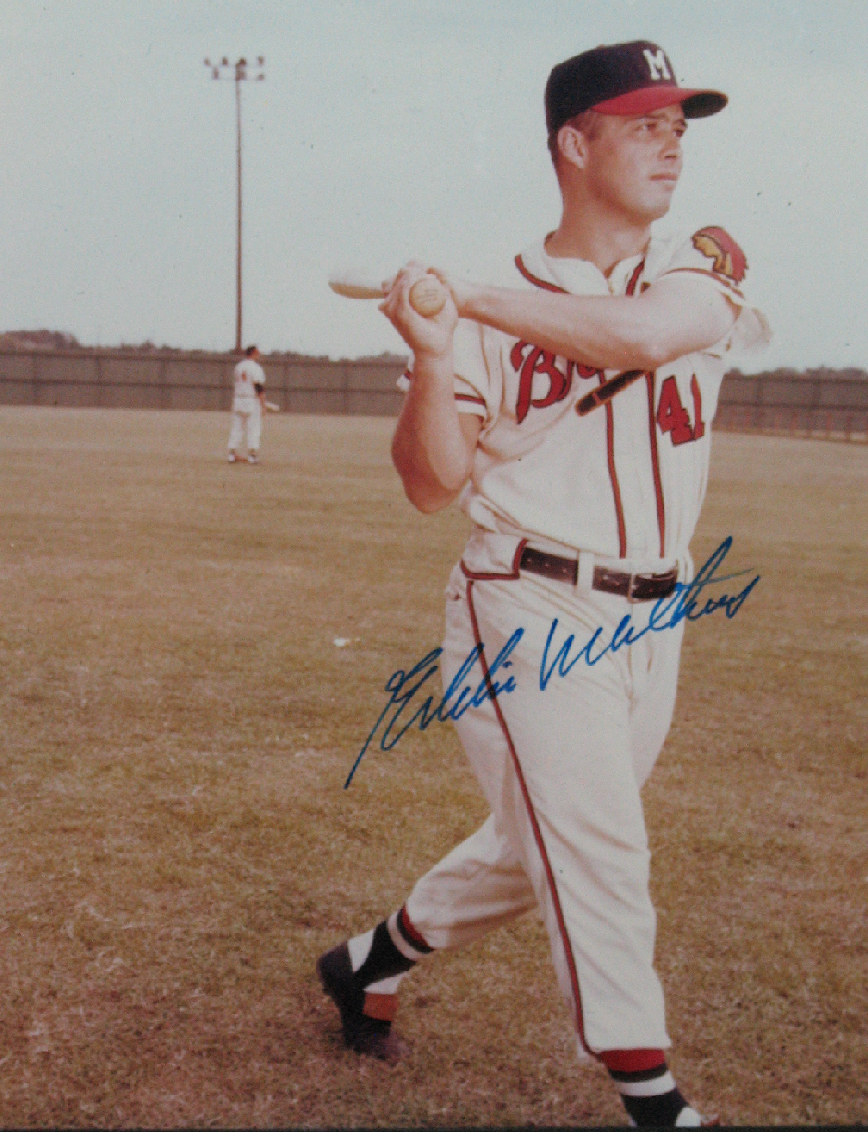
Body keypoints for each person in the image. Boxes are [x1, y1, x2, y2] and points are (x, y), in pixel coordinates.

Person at [318, 40, 768, 1127]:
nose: (672, 142)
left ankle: (367, 959)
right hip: (523, 600)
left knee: (538, 848)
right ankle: (653, 1097)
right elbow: (432, 485)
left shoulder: (694, 271)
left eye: (679, 125)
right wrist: (435, 351)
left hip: (658, 610)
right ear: (575, 142)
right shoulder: (482, 312)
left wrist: (460, 293)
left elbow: (649, 334)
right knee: (600, 844)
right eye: (645, 122)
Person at [227, 345, 267, 464]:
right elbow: (258, 386)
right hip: (251, 400)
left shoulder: (239, 367)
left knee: (237, 428)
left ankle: (231, 454)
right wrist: (263, 404)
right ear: (254, 353)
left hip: (239, 399)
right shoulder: (255, 368)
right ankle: (252, 455)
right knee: (254, 428)